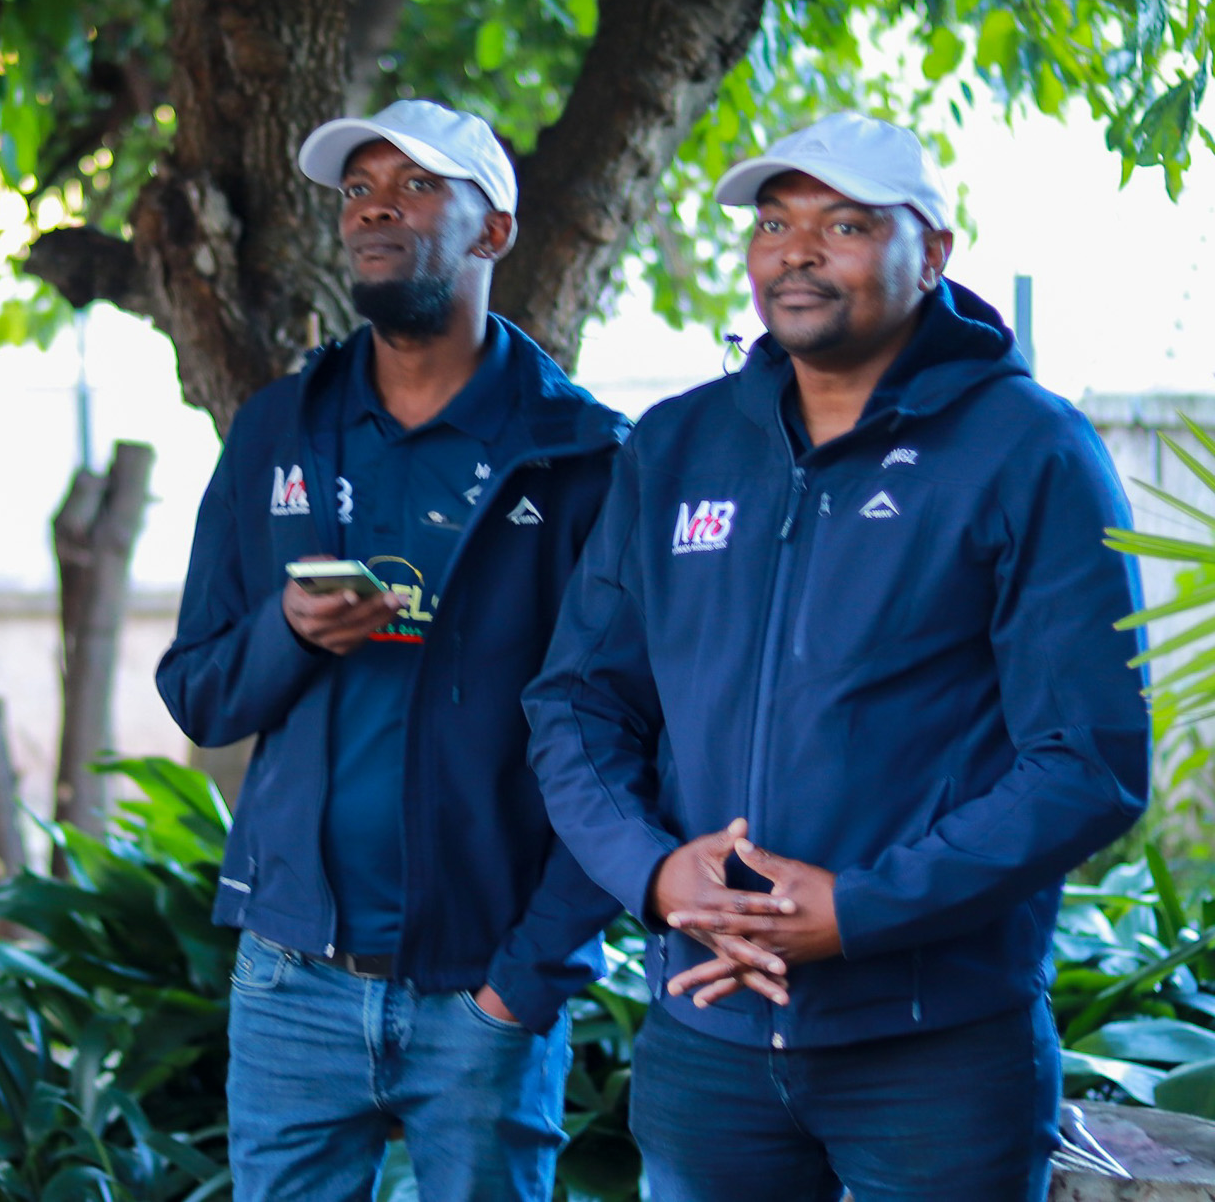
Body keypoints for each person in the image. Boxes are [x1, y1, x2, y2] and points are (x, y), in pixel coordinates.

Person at [523, 112, 1150, 1201]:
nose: (795, 250)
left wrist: (858, 911)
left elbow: (1086, 762)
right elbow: (576, 703)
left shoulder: (1028, 449)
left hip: (934, 1054)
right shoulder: (675, 445)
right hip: (704, 1040)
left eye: (845, 223)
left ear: (934, 252)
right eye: (773, 222)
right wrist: (655, 873)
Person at [157, 98, 628, 1200]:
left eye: (417, 187)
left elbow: (625, 740)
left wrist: (527, 978)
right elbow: (198, 691)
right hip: (290, 979)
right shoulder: (276, 428)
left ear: (493, 231)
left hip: (482, 991)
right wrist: (287, 631)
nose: (376, 206)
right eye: (357, 189)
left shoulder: (582, 455)